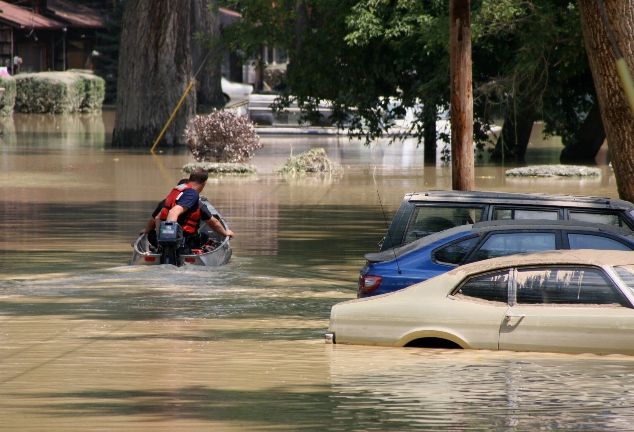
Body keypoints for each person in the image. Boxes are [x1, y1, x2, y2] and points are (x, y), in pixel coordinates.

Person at [148, 171, 234, 250]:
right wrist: (225, 233)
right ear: (204, 183)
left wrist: (159, 237)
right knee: (204, 236)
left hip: (163, 239)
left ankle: (160, 247)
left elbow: (157, 218)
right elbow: (213, 222)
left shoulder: (171, 197)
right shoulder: (193, 196)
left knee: (150, 235)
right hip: (184, 241)